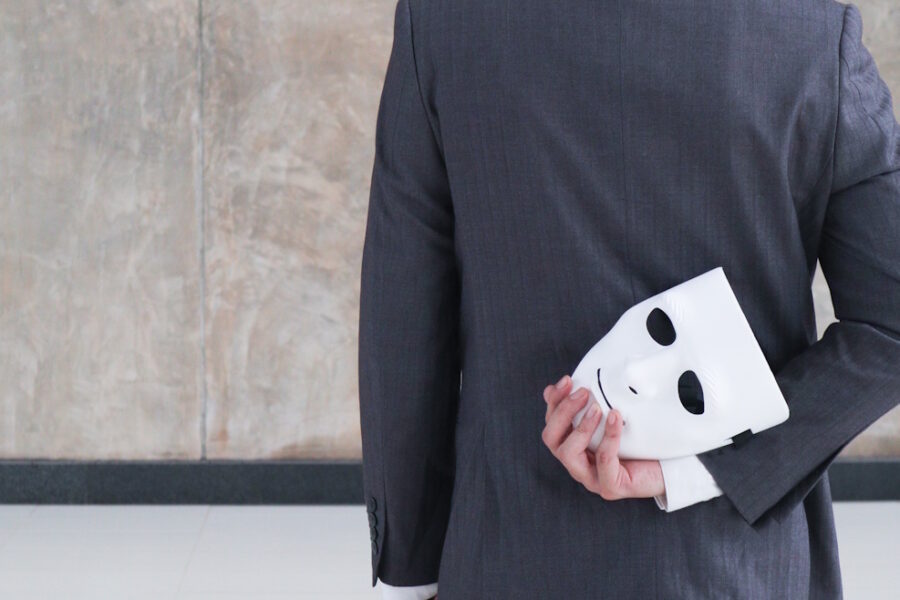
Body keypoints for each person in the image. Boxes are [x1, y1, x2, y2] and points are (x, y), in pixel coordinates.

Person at [357, 0, 900, 597]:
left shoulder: (444, 24)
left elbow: (402, 324)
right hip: (739, 570)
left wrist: (410, 574)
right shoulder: (810, 35)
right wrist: (705, 468)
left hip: (509, 556)